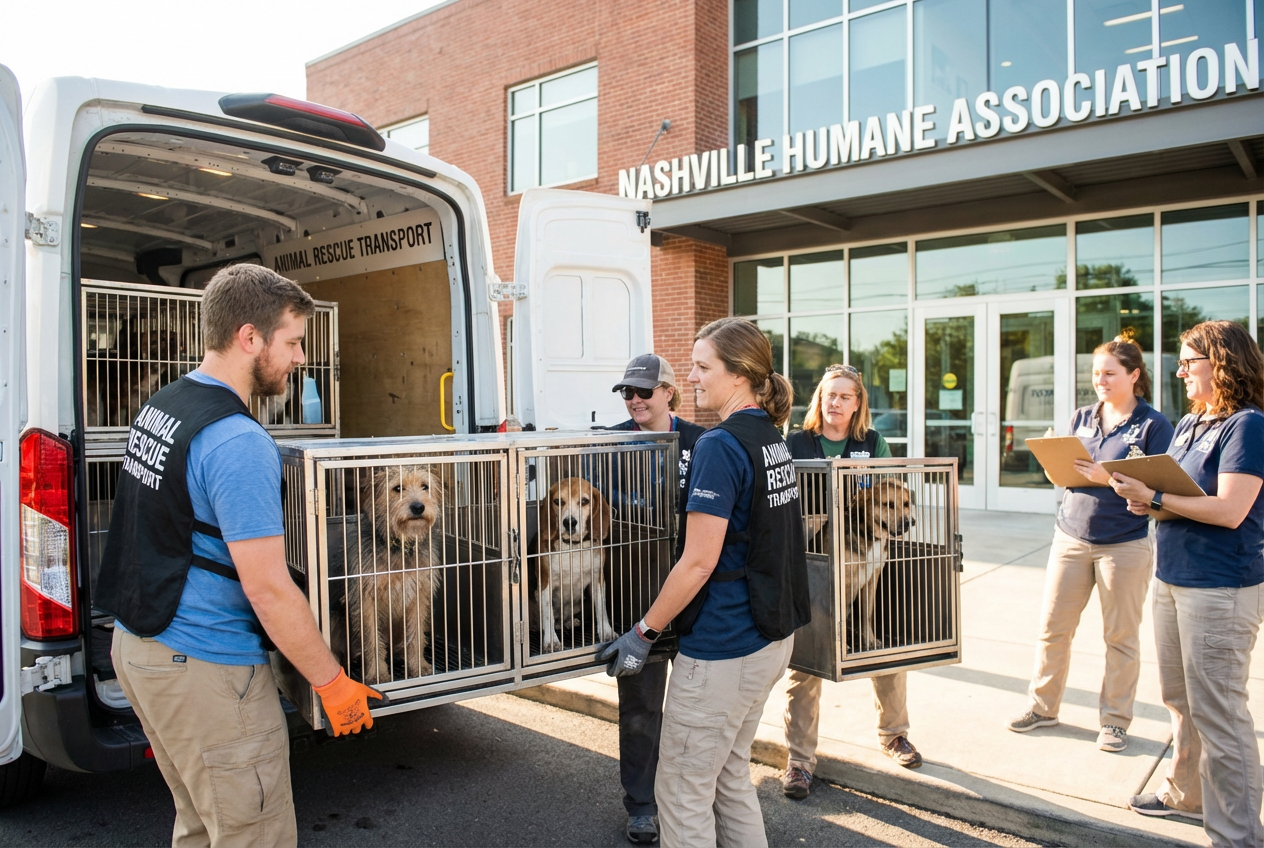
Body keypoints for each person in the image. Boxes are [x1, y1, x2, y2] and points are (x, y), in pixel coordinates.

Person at [96, 264, 382, 848]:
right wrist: (331, 683)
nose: (301, 358)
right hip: (205, 666)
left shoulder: (166, 404)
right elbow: (268, 588)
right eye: (294, 342)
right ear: (249, 338)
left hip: (140, 648)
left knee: (203, 826)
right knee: (253, 835)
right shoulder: (238, 441)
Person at [600, 318, 810, 848]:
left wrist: (642, 633)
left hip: (724, 648)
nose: (691, 377)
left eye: (701, 366)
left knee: (682, 793)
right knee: (728, 776)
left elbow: (697, 562)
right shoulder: (771, 437)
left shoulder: (719, 444)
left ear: (738, 375)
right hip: (770, 640)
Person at [1111, 321, 1264, 846]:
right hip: (1171, 577)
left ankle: (1239, 836)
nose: (1178, 371)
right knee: (1180, 698)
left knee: (1220, 711)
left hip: (1219, 587)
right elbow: (1175, 491)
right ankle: (1186, 795)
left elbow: (1229, 509)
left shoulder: (1247, 425)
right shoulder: (1193, 422)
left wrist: (1154, 500)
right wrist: (1143, 493)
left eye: (1187, 361)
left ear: (1221, 362)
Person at [1007, 337, 1173, 753]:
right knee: (1053, 630)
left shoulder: (1154, 426)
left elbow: (1161, 488)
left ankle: (1115, 721)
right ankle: (1043, 708)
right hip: (1071, 537)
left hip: (1124, 544)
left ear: (1134, 375)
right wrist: (1053, 464)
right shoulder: (1081, 416)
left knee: (1120, 638)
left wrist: (1106, 478)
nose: (1100, 380)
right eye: (1096, 373)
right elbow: (1066, 476)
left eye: (1109, 373)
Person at [780, 364, 919, 800]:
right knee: (807, 664)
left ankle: (894, 735)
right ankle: (799, 762)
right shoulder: (795, 443)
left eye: (844, 396)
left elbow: (893, 493)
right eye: (828, 394)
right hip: (811, 559)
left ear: (858, 403)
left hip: (867, 548)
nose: (834, 402)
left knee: (883, 647)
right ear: (818, 399)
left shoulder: (872, 443)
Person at [606, 354, 705, 845]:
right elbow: (596, 500)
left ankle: (689, 799)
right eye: (627, 392)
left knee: (696, 710)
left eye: (644, 391)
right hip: (636, 597)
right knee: (641, 709)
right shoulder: (610, 440)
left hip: (696, 597)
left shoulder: (702, 441)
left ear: (670, 391)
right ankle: (641, 804)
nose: (635, 399)